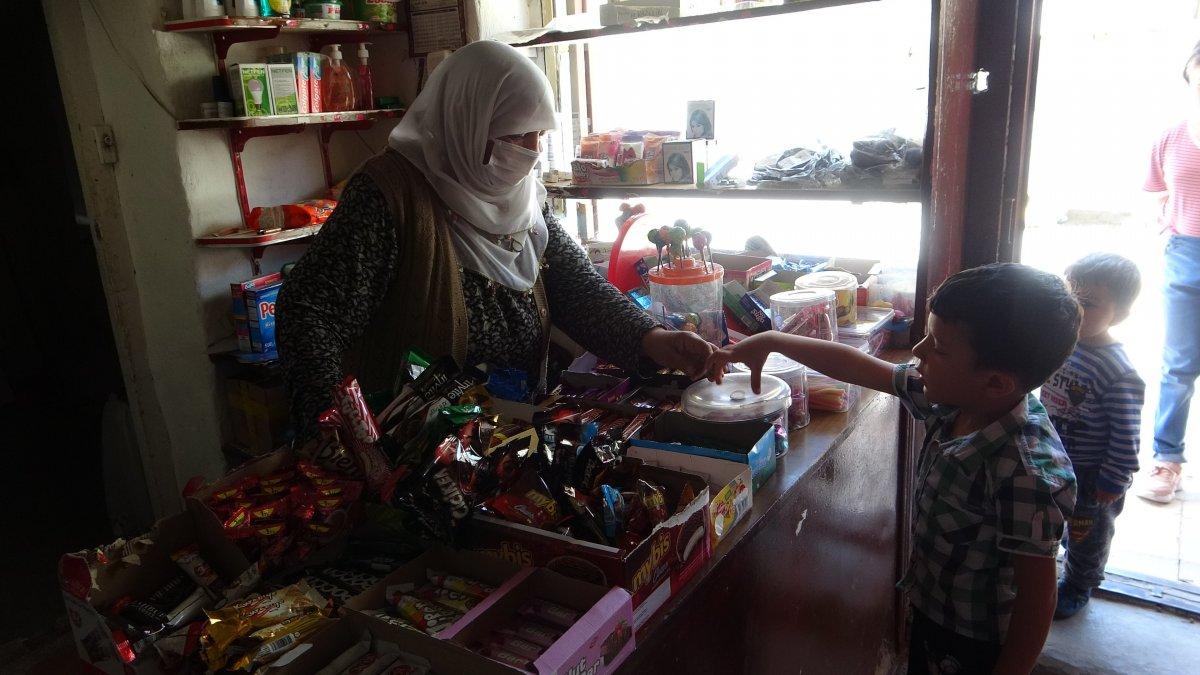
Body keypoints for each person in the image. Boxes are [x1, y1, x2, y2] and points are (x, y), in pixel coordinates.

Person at [276, 41, 713, 433]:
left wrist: (655, 341)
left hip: (506, 442)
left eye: (538, 134)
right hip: (409, 456)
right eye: (514, 134)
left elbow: (575, 288)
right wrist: (342, 431)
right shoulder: (390, 197)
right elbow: (310, 315)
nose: (530, 149)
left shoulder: (522, 199)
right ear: (468, 120)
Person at [706, 263, 1080, 675]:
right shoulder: (959, 398)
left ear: (995, 382)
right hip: (932, 613)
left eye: (937, 347)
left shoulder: (1026, 473)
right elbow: (860, 366)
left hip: (978, 644)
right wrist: (773, 340)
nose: (917, 351)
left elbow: (1036, 601)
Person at [1040, 254, 1145, 619]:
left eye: (1088, 304)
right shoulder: (1063, 344)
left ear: (1121, 314)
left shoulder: (1119, 371)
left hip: (1091, 473)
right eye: (1070, 297)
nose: (1075, 309)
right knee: (1050, 517)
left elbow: (1127, 434)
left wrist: (1113, 479)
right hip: (1052, 454)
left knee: (1088, 533)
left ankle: (1080, 583)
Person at [1141, 40, 1200, 503]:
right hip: (1186, 254)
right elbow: (1155, 190)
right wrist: (1166, 219)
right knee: (1179, 366)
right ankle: (1167, 458)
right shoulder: (1173, 136)